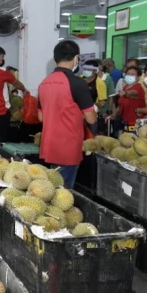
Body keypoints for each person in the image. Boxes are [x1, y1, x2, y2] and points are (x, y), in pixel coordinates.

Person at [37, 40, 98, 188]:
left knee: (53, 189)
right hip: (68, 147)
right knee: (63, 195)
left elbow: (41, 117)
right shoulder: (77, 83)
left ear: (55, 58)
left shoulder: (44, 83)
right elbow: (91, 118)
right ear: (76, 58)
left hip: (49, 146)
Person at [113, 65, 145, 132]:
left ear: (138, 77)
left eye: (133, 74)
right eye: (128, 74)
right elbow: (120, 105)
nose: (130, 76)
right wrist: (113, 115)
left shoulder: (138, 88)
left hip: (136, 124)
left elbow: (133, 93)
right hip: (125, 123)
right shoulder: (125, 87)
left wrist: (126, 94)